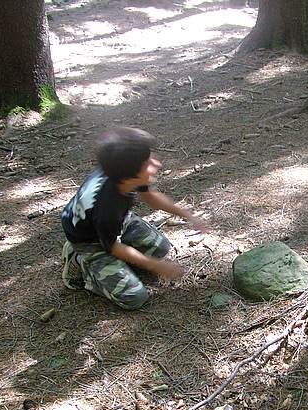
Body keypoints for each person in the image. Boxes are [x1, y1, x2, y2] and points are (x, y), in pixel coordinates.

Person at [61, 127, 207, 310]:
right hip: (89, 239)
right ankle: (80, 261)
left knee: (160, 248)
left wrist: (188, 215)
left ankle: (116, 261)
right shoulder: (107, 207)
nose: (156, 164)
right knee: (134, 297)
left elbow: (150, 197)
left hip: (115, 221)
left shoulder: (122, 170)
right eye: (148, 163)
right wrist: (157, 267)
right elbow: (114, 247)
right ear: (128, 177)